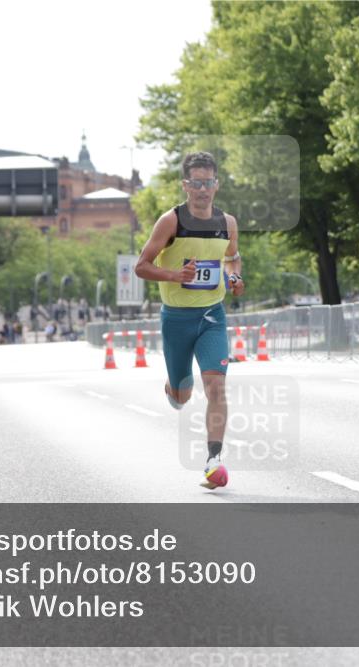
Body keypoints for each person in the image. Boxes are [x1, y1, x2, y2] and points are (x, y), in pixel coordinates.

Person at [134, 151, 245, 489]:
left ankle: (213, 460)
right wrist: (174, 275)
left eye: (208, 183)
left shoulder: (227, 223)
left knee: (216, 386)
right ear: (185, 185)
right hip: (177, 319)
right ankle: (173, 386)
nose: (202, 189)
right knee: (182, 394)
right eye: (195, 183)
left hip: (213, 316)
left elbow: (233, 259)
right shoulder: (171, 221)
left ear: (216, 185)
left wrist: (234, 278)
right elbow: (141, 266)